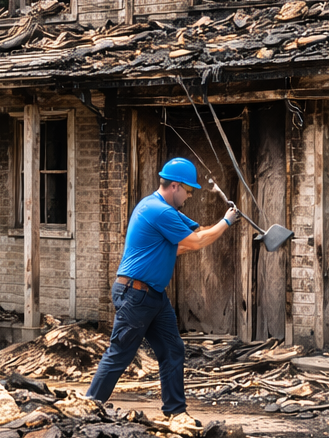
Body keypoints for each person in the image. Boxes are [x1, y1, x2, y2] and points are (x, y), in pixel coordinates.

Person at [85, 158, 239, 416]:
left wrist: (218, 224)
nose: (189, 197)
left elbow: (194, 233)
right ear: (175, 186)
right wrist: (227, 221)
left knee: (172, 349)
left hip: (153, 296)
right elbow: (197, 241)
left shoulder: (160, 208)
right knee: (121, 353)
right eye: (188, 191)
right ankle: (87, 410)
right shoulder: (160, 211)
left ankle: (176, 414)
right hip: (135, 294)